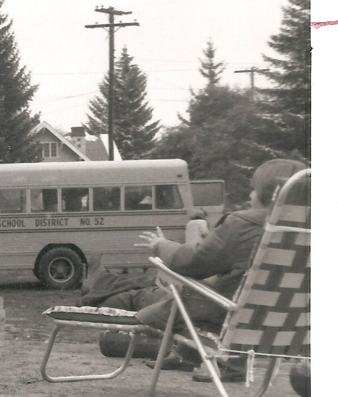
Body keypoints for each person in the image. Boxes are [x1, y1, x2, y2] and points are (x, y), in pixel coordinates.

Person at [81, 159, 308, 381]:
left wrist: (161, 245)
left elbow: (192, 262)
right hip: (286, 327)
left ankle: (103, 286)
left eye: (253, 190)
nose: (250, 196)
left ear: (269, 194)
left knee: (174, 297)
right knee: (179, 296)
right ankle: (189, 354)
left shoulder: (242, 225)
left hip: (223, 317)